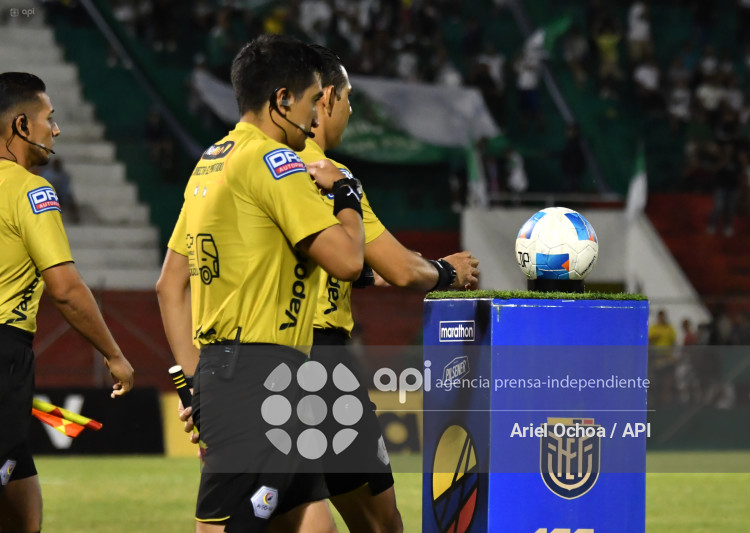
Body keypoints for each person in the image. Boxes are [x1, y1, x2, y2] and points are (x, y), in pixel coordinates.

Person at [155, 35, 365, 532]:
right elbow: (349, 260)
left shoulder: (210, 161)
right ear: (282, 101)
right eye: (314, 101)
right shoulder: (274, 163)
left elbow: (169, 284)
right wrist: (345, 193)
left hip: (249, 375)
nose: (317, 119)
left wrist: (198, 383)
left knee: (315, 524)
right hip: (260, 377)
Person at [297, 44, 480, 533]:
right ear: (327, 97)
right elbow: (401, 268)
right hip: (323, 361)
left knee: (284, 513)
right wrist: (447, 271)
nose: (351, 112)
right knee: (378, 523)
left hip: (260, 360)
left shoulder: (256, 168)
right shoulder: (336, 179)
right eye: (349, 99)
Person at [0, 72, 134, 532]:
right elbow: (66, 289)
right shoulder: (29, 189)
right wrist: (114, 355)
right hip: (4, 354)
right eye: (47, 120)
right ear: (20, 126)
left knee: (22, 508)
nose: (54, 131)